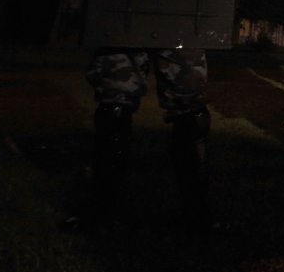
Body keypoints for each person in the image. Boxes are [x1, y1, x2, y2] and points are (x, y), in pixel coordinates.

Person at [67, 47, 214, 229]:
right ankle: (102, 208)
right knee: (114, 107)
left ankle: (198, 212)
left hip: (180, 26)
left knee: (192, 110)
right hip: (125, 25)